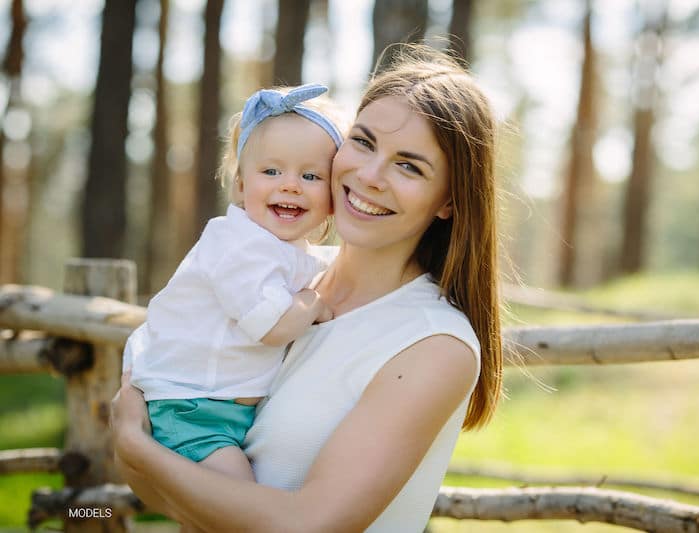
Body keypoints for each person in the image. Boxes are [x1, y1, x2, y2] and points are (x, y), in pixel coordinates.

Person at [112, 45, 503, 533]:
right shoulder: (277, 279)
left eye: (409, 166)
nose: (369, 175)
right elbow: (169, 489)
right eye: (363, 142)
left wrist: (134, 447)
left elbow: (307, 526)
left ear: (448, 201)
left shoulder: (433, 343)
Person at [124, 84, 344, 486]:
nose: (290, 184)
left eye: (311, 175)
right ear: (241, 184)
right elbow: (272, 325)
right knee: (235, 503)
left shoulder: (286, 248)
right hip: (190, 408)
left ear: (333, 197)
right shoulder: (237, 244)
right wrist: (312, 302)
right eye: (271, 171)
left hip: (225, 409)